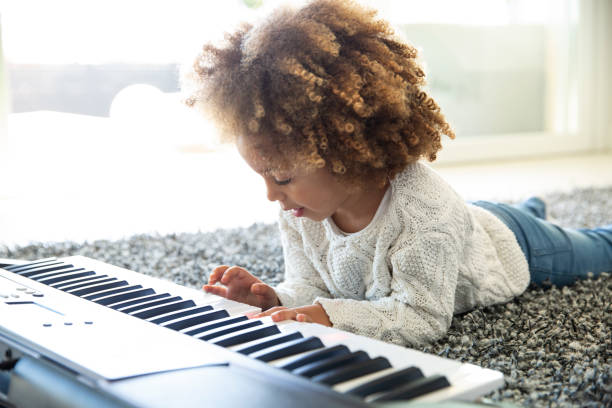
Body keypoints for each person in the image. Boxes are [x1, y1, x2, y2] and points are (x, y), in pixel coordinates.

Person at [183, 0, 612, 346]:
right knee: (483, 216)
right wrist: (276, 299)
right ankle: (528, 207)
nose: (271, 196)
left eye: (280, 177)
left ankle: (527, 215)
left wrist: (329, 316)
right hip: (465, 223)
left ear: (346, 152)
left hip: (518, 246)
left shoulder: (424, 212)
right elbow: (313, 286)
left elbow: (422, 316)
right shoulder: (301, 208)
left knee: (597, 249)